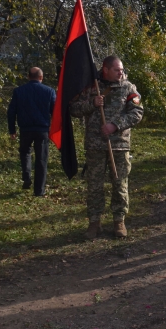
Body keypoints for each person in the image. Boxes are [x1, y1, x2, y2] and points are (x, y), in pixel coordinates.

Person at [69, 56, 144, 239]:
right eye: (117, 70)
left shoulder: (128, 88)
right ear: (106, 70)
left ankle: (119, 220)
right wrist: (92, 104)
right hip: (95, 145)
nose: (121, 73)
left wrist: (115, 125)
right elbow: (73, 109)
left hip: (119, 145)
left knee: (119, 183)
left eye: (121, 70)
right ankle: (94, 223)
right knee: (94, 186)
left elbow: (137, 112)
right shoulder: (91, 87)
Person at [7, 67, 56, 196]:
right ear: (41, 77)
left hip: (25, 129)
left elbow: (11, 111)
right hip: (42, 129)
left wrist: (12, 129)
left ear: (28, 77)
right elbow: (55, 112)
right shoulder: (49, 91)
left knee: (25, 152)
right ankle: (39, 191)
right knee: (41, 159)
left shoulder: (19, 91)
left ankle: (27, 176)